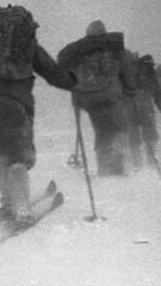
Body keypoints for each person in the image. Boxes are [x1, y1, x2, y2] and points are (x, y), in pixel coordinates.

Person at [0, 6, 74, 226]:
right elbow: (52, 72)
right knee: (18, 154)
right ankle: (21, 210)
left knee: (2, 151)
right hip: (15, 105)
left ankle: (8, 204)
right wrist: (73, 82)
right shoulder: (26, 47)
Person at [58, 20, 136, 176]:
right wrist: (130, 89)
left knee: (102, 131)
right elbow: (126, 72)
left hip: (88, 100)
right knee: (119, 129)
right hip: (110, 96)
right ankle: (116, 167)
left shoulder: (78, 50)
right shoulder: (114, 47)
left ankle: (104, 167)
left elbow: (65, 71)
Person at [124, 52, 161, 170]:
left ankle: (136, 164)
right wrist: (160, 103)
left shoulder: (123, 71)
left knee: (133, 137)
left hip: (129, 107)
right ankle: (153, 163)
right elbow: (157, 89)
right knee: (150, 135)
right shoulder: (148, 71)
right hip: (145, 106)